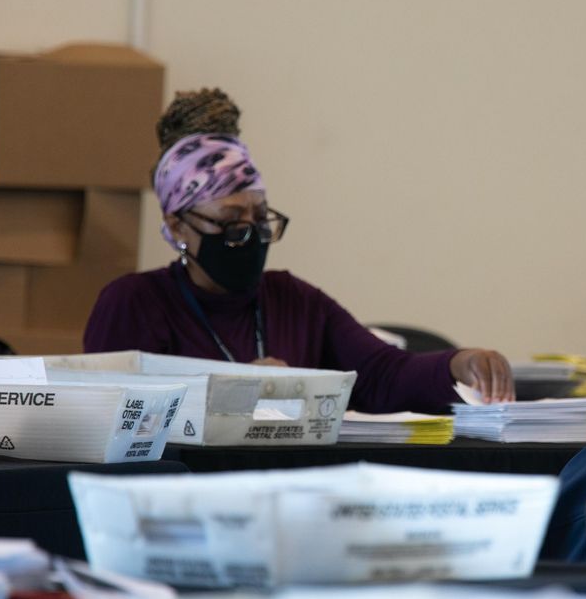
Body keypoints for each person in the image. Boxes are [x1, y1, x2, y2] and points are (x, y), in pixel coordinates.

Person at [85, 88, 513, 413]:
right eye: (231, 222)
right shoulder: (134, 304)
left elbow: (381, 373)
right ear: (178, 224)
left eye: (260, 217)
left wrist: (459, 364)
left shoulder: (295, 301)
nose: (251, 235)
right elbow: (113, 417)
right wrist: (234, 389)